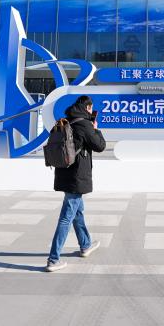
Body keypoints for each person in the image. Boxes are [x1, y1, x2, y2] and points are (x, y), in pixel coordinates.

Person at [46, 95, 106, 272]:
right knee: (66, 216)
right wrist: (96, 130)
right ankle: (53, 259)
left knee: (77, 211)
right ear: (87, 108)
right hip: (77, 176)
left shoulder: (67, 121)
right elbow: (100, 146)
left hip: (64, 172)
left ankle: (85, 245)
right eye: (91, 108)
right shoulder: (84, 124)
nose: (91, 111)